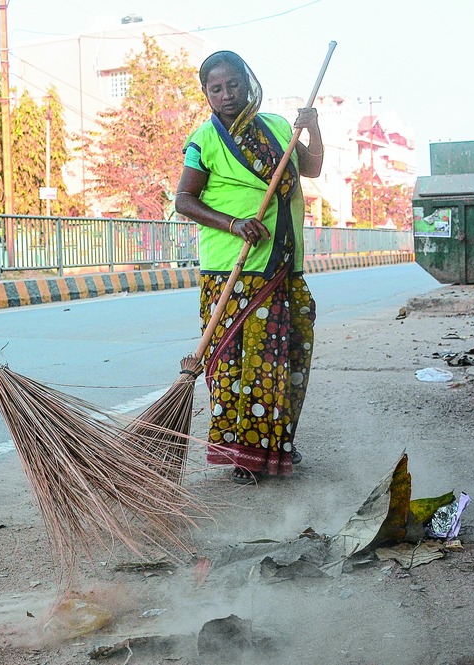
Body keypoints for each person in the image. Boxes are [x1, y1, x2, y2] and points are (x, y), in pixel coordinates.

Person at [174, 51, 323, 485]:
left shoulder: (279, 127)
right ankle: (241, 454)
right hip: (232, 270)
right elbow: (184, 200)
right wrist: (234, 224)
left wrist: (311, 127)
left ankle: (275, 447)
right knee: (234, 365)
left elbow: (311, 167)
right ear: (206, 94)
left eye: (232, 85)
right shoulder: (205, 139)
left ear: (248, 83)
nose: (225, 96)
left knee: (284, 359)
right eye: (215, 89)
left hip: (283, 266)